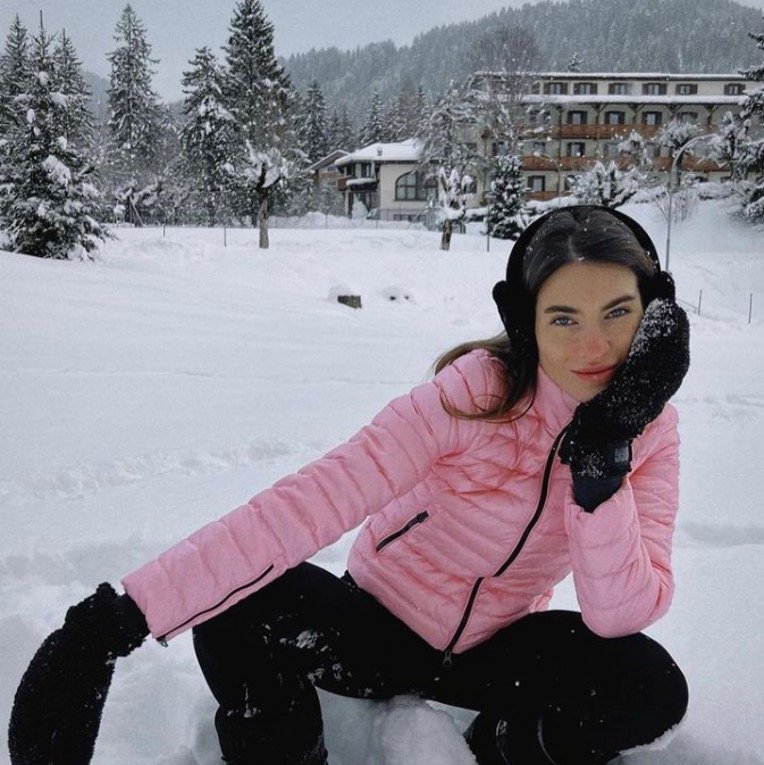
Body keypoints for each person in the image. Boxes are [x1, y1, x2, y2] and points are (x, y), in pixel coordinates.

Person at [9, 205, 691, 765]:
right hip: (379, 628)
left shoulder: (653, 434)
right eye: (563, 318)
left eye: (617, 313)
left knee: (651, 685)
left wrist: (603, 468)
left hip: (494, 651)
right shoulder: (474, 395)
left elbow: (619, 611)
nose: (592, 346)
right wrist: (117, 620)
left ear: (653, 317)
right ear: (527, 322)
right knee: (233, 608)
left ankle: (502, 750)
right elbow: (307, 504)